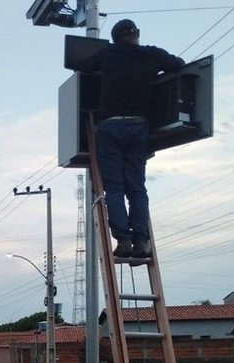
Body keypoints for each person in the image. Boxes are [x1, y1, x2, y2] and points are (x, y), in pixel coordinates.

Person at [77, 19, 185, 259]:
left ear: (115, 39)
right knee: (136, 187)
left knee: (114, 186)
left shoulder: (108, 54)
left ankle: (123, 241)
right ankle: (142, 241)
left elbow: (81, 67)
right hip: (138, 126)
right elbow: (179, 65)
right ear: (137, 34)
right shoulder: (151, 54)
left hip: (109, 126)